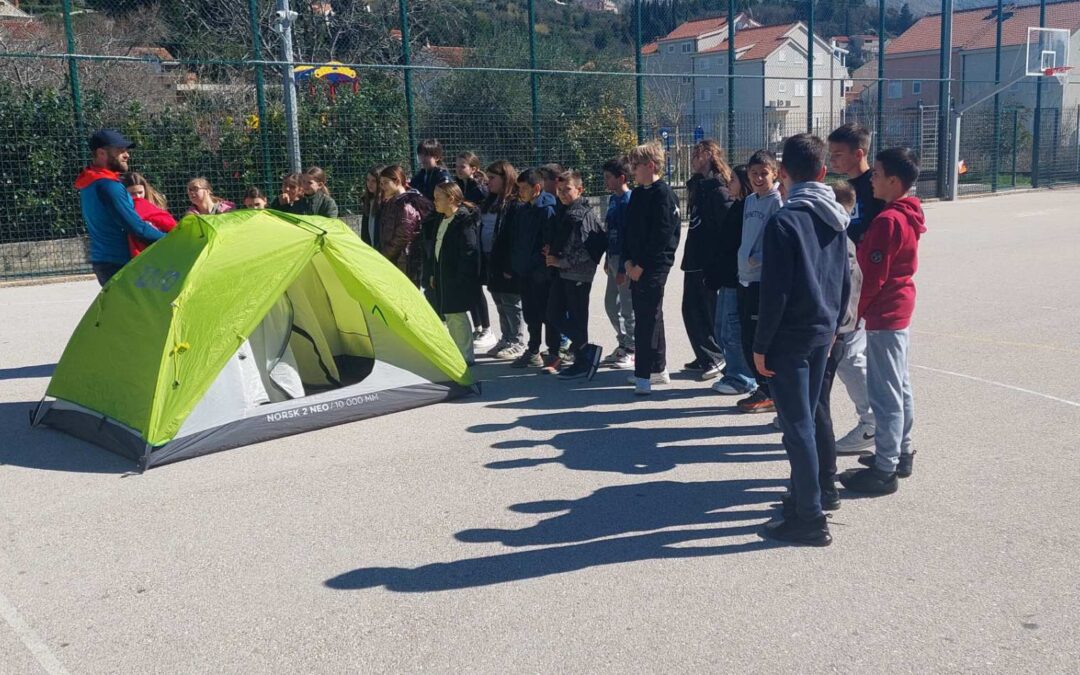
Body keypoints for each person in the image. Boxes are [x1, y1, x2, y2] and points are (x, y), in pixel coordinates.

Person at [754, 133, 850, 546]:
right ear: (823, 172)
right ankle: (805, 496)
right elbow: (844, 279)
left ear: (784, 175)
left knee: (797, 428)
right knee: (807, 421)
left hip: (790, 337)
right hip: (823, 331)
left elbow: (774, 292)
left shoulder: (786, 219)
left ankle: (810, 517)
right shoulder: (835, 215)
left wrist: (759, 346)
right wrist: (834, 329)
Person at [841, 147, 925, 495]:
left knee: (885, 391)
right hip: (896, 309)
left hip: (885, 314)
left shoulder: (889, 220)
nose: (871, 178)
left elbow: (871, 277)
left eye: (876, 173)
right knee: (899, 384)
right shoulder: (904, 212)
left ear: (894, 180)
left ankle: (885, 468)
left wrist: (853, 316)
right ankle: (900, 451)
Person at [777, 180, 862, 520]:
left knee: (814, 415)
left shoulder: (838, 239)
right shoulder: (835, 235)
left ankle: (823, 487)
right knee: (812, 413)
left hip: (827, 337)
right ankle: (810, 487)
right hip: (827, 334)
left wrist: (835, 332)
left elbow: (844, 289)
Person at [827, 122, 884, 453]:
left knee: (850, 355)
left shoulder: (874, 189)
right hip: (843, 280)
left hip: (862, 286)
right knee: (845, 354)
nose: (833, 160)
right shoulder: (842, 187)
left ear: (859, 154)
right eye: (830, 154)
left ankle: (872, 423)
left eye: (838, 155)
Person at [622, 142, 680, 396]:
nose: (632, 171)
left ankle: (642, 375)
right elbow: (629, 231)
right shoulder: (637, 194)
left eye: (636, 166)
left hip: (654, 266)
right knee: (651, 314)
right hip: (635, 265)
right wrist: (627, 261)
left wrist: (642, 266)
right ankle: (658, 367)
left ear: (651, 166)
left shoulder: (663, 194)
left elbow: (663, 235)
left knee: (646, 317)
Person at [74, 129, 166, 285]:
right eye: (120, 150)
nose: (127, 155)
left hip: (104, 260)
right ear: (101, 153)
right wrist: (171, 239)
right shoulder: (108, 186)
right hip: (120, 263)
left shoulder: (88, 182)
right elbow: (136, 228)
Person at [545, 170, 606, 380]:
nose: (562, 193)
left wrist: (561, 261)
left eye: (567, 189)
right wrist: (552, 252)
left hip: (579, 275)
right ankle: (584, 350)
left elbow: (589, 248)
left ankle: (583, 359)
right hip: (564, 274)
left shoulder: (582, 214)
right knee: (553, 313)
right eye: (559, 190)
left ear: (580, 190)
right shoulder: (566, 211)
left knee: (578, 318)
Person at [705, 164, 759, 397]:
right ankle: (733, 371)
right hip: (726, 278)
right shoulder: (737, 207)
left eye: (733, 180)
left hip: (736, 279)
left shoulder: (746, 208)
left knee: (732, 330)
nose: (729, 184)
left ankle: (742, 378)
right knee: (721, 329)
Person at [736, 150, 783, 413]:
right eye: (754, 173)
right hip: (745, 277)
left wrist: (760, 258)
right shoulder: (750, 201)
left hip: (762, 279)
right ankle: (760, 385)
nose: (758, 178)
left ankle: (770, 389)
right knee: (745, 335)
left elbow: (780, 241)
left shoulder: (777, 201)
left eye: (764, 173)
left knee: (759, 338)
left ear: (774, 173)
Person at [682, 139, 733, 381]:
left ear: (709, 156)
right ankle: (704, 354)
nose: (692, 157)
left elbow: (725, 227)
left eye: (696, 153)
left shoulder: (718, 189)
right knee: (690, 309)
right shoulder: (698, 186)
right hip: (694, 257)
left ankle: (715, 356)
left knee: (703, 309)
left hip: (707, 260)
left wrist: (716, 261)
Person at [422, 182, 482, 365]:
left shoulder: (463, 220)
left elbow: (469, 251)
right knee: (449, 314)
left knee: (457, 315)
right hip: (443, 275)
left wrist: (460, 278)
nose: (434, 202)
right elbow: (436, 248)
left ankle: (465, 356)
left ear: (451, 198)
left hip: (457, 277)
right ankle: (457, 352)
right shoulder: (442, 219)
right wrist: (433, 273)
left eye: (438, 198)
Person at [509, 168, 558, 369]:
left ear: (536, 188)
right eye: (519, 188)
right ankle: (533, 349)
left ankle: (554, 353)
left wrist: (541, 268)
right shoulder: (523, 209)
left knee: (548, 314)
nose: (520, 192)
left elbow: (549, 243)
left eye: (523, 188)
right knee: (530, 313)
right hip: (526, 272)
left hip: (541, 274)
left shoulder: (547, 209)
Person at [481, 160, 527, 360]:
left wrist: (510, 265)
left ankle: (517, 341)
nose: (487, 182)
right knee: (498, 299)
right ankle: (506, 337)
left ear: (505, 178)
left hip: (506, 261)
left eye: (492, 178)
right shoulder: (490, 201)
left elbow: (516, 238)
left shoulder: (515, 204)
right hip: (490, 258)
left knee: (510, 301)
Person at [454, 152, 495, 349]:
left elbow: (476, 211)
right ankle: (477, 326)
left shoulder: (479, 189)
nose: (459, 169)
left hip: (476, 242)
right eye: (457, 166)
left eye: (463, 166)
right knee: (468, 287)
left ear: (474, 168)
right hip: (463, 240)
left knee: (477, 287)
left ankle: (487, 328)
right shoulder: (457, 185)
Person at [600, 156, 635, 370]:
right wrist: (607, 258)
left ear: (622, 177)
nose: (605, 181)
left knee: (628, 307)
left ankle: (633, 349)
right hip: (612, 258)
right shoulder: (613, 200)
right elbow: (610, 232)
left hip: (624, 261)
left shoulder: (630, 200)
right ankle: (623, 343)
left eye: (608, 177)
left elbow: (628, 236)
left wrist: (623, 266)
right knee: (610, 304)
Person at [378, 165, 432, 287]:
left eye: (386, 183)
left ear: (397, 181)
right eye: (381, 183)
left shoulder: (406, 204)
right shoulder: (392, 202)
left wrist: (383, 255)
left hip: (406, 261)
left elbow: (402, 237)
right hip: (394, 259)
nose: (382, 187)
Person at [121, 172, 176, 257]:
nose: (138, 197)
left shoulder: (156, 204)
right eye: (132, 194)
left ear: (145, 190)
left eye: (140, 192)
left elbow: (170, 224)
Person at [359, 166, 384, 247]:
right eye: (368, 180)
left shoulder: (384, 202)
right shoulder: (367, 200)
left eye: (374, 181)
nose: (370, 184)